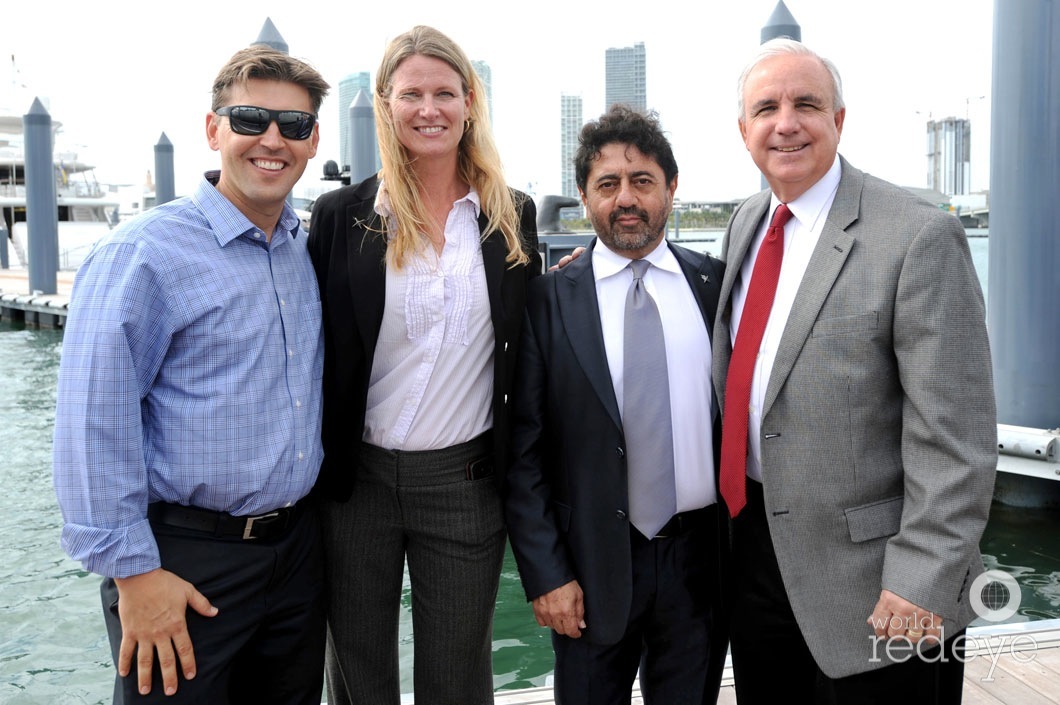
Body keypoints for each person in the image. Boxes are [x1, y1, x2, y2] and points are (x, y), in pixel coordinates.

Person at [714, 38, 996, 704]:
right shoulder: (745, 225)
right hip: (755, 556)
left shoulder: (917, 236)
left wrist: (922, 578)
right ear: (744, 131)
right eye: (767, 108)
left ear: (839, 120)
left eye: (806, 104)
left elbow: (956, 435)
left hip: (880, 583)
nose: (786, 122)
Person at [52, 46, 330, 703]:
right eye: (250, 118)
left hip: (295, 556)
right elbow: (93, 426)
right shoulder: (141, 253)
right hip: (184, 560)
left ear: (313, 140)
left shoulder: (301, 246)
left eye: (292, 125)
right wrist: (134, 575)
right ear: (214, 130)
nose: (272, 139)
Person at [306, 25, 540, 705]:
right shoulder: (341, 216)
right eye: (412, 93)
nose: (429, 108)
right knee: (357, 670)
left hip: (465, 481)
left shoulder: (509, 216)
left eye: (445, 92)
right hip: (357, 482)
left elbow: (529, 332)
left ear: (470, 101)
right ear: (384, 104)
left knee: (458, 675)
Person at [505, 104, 728, 705]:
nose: (626, 199)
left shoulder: (717, 286)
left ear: (671, 190)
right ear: (584, 196)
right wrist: (548, 575)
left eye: (642, 182)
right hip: (590, 564)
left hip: (699, 562)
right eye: (608, 185)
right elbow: (523, 453)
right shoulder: (546, 303)